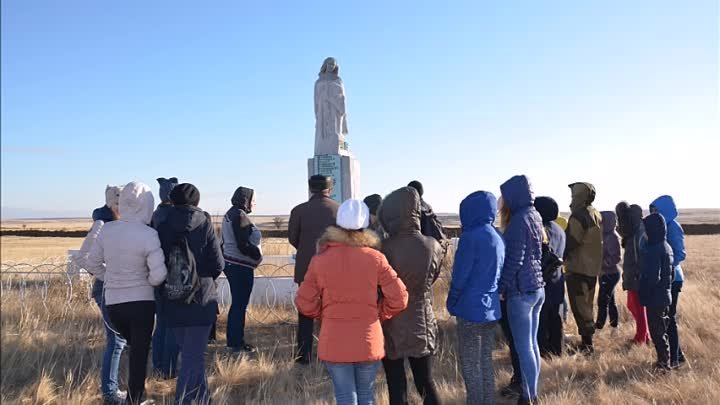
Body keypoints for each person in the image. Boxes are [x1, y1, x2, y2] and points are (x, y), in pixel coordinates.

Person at [295, 199, 408, 405]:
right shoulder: (375, 258)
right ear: (365, 225)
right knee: (366, 396)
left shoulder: (321, 260)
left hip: (334, 340)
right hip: (368, 338)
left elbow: (304, 302)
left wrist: (324, 314)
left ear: (338, 224)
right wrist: (379, 313)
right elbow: (399, 298)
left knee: (345, 397)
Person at [87, 181, 168, 405]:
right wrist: (146, 282)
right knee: (139, 355)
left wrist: (111, 278)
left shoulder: (107, 230)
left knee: (126, 346)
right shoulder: (149, 234)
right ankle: (135, 399)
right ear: (147, 205)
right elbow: (159, 275)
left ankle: (125, 395)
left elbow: (92, 263)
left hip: (113, 303)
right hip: (141, 303)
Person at [157, 183, 225, 405]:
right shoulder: (204, 223)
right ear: (196, 201)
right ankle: (184, 400)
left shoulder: (162, 225)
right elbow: (218, 263)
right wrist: (203, 280)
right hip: (201, 298)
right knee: (193, 357)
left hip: (172, 297)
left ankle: (203, 398)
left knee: (189, 354)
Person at [379, 187, 444, 405]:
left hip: (391, 321)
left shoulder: (383, 248)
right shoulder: (432, 246)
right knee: (426, 381)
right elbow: (432, 277)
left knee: (396, 384)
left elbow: (379, 286)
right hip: (421, 319)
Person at [446, 191, 504, 405]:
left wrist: (451, 302)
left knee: (470, 365)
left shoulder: (470, 238)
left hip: (470, 309)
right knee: (485, 362)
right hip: (491, 308)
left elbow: (460, 277)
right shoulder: (497, 236)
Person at [498, 175, 545, 405]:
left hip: (521, 291)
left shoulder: (518, 221)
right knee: (532, 344)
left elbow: (514, 260)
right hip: (536, 288)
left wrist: (501, 287)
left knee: (523, 346)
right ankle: (532, 393)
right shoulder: (534, 215)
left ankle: (528, 397)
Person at [78, 185, 127, 405]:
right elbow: (84, 257)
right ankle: (110, 393)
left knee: (119, 338)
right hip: (107, 288)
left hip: (116, 287)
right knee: (116, 340)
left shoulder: (116, 222)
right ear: (111, 203)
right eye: (119, 204)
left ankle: (112, 389)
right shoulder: (102, 223)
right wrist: (107, 274)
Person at [288, 175, 340, 364]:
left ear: (310, 188)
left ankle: (304, 356)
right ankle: (331, 353)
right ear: (330, 188)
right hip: (334, 269)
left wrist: (307, 250)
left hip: (306, 268)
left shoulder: (299, 210)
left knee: (305, 311)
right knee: (332, 311)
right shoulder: (339, 210)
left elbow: (293, 238)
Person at [222, 186, 263, 353]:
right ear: (246, 200)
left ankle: (234, 340)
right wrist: (256, 256)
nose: (254, 203)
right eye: (253, 200)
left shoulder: (231, 213)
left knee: (238, 304)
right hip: (240, 265)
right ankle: (236, 342)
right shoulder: (240, 215)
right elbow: (243, 244)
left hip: (233, 264)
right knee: (240, 304)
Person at [564, 182, 602, 354]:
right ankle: (588, 342)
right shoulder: (595, 213)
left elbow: (571, 241)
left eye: (573, 195)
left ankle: (587, 346)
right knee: (587, 306)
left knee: (580, 308)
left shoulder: (578, 216)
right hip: (592, 268)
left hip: (577, 268)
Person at [650, 195, 687, 368]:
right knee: (667, 319)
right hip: (666, 278)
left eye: (657, 210)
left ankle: (674, 358)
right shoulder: (662, 227)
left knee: (669, 319)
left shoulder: (673, 227)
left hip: (673, 278)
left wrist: (667, 266)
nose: (654, 213)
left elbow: (680, 254)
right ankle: (676, 355)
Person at [151, 176, 180, 379]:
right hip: (174, 273)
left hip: (156, 272)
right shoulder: (175, 215)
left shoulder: (154, 215)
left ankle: (158, 364)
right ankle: (169, 368)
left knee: (160, 322)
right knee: (172, 324)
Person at [638, 213, 674, 371]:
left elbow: (653, 277)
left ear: (653, 230)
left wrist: (643, 282)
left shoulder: (654, 250)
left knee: (657, 332)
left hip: (655, 298)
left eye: (646, 230)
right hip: (664, 295)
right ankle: (665, 361)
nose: (644, 233)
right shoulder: (666, 246)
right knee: (662, 331)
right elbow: (670, 275)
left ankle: (663, 364)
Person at [534, 196, 566, 358]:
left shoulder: (540, 231)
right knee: (556, 318)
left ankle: (542, 354)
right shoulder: (559, 230)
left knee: (541, 320)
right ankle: (557, 351)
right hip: (558, 280)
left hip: (542, 282)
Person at [620, 204, 650, 344]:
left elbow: (641, 255)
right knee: (633, 305)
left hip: (636, 275)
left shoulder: (639, 232)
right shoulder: (635, 231)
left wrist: (638, 273)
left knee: (639, 307)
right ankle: (644, 335)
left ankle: (641, 337)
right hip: (633, 274)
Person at [596, 211, 621, 331]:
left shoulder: (611, 236)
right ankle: (614, 327)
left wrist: (602, 264)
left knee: (602, 301)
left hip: (609, 274)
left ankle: (599, 327)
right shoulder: (606, 235)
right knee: (610, 301)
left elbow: (616, 257)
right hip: (606, 274)